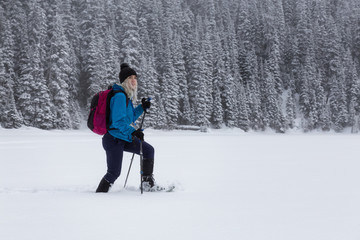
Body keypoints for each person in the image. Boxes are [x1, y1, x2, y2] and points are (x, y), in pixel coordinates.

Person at [96, 63, 154, 193]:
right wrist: (134, 131)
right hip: (113, 139)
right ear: (124, 81)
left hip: (123, 136)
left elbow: (130, 117)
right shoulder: (120, 96)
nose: (133, 80)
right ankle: (99, 195)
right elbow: (117, 122)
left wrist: (141, 107)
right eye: (130, 78)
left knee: (148, 150)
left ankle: (147, 185)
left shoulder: (126, 96)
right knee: (114, 173)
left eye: (135, 77)